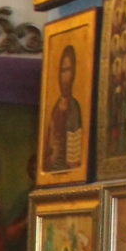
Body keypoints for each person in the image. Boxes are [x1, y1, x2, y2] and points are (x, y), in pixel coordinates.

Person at [44, 45, 85, 174]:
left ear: (73, 73)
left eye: (69, 70)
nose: (65, 76)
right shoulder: (55, 106)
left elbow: (74, 156)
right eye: (62, 70)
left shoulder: (74, 106)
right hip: (53, 169)